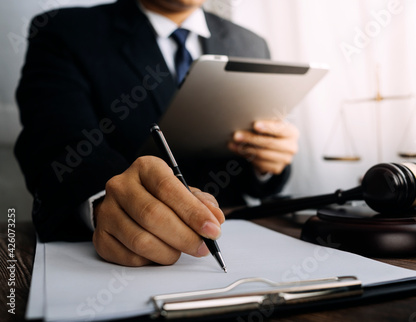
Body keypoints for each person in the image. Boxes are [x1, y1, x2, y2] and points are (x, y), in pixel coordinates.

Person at [15, 0, 299, 266]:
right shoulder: (67, 31)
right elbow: (56, 144)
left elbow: (249, 165)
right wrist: (104, 202)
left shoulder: (250, 43)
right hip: (124, 253)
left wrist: (268, 163)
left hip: (240, 238)